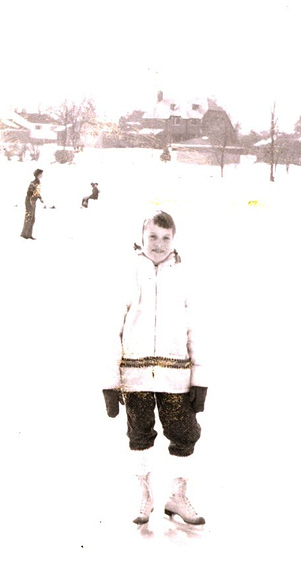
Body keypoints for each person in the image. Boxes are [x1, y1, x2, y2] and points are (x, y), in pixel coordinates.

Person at [102, 210, 208, 526]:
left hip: (177, 378)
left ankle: (177, 496)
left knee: (184, 434)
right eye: (153, 237)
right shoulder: (126, 274)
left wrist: (200, 378)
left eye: (165, 238)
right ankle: (145, 496)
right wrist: (110, 381)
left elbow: (198, 329)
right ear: (142, 237)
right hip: (135, 378)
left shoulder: (186, 277)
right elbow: (109, 329)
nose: (159, 244)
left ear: (173, 240)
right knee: (140, 436)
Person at [21, 168, 44, 240]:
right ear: (37, 175)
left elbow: (36, 192)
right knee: (29, 217)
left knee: (32, 218)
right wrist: (30, 200)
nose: (41, 175)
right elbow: (29, 193)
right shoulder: (33, 182)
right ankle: (24, 234)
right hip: (29, 201)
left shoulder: (38, 182)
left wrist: (40, 198)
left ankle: (29, 234)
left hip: (33, 201)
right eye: (40, 174)